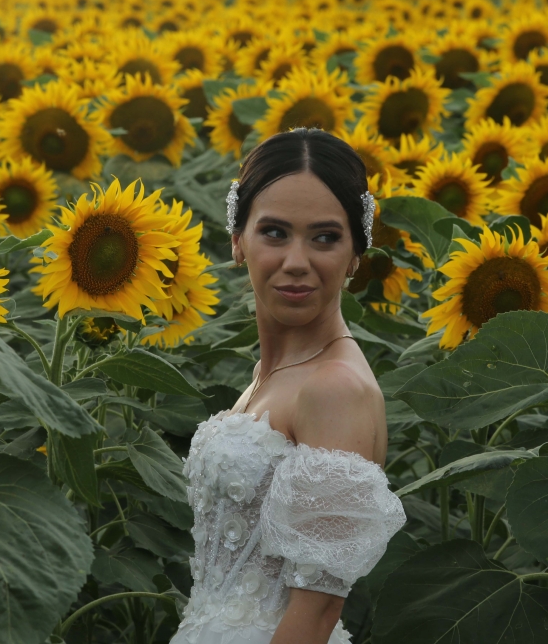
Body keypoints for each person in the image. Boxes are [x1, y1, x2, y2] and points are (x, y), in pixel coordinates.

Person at [171, 128, 407, 644]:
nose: (296, 261)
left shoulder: (334, 388)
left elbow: (317, 611)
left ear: (355, 255)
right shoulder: (275, 373)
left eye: (325, 237)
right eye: (274, 232)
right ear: (238, 241)